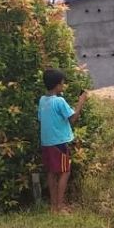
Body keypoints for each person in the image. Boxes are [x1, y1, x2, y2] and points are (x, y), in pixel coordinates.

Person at [39, 68, 88, 212]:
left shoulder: (43, 100)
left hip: (46, 142)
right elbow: (72, 118)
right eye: (62, 84)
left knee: (51, 173)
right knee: (65, 172)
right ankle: (60, 206)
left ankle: (53, 205)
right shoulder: (59, 101)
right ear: (57, 85)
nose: (63, 86)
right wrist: (81, 102)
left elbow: (42, 118)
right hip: (59, 143)